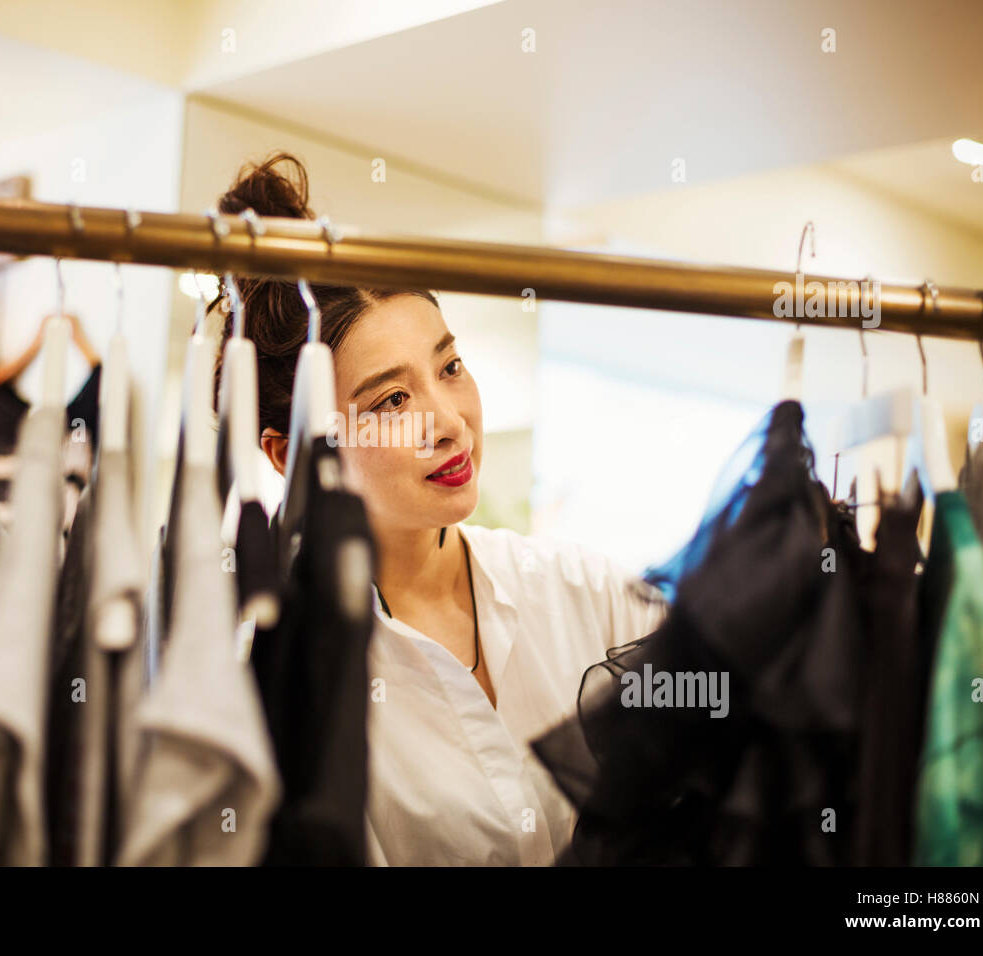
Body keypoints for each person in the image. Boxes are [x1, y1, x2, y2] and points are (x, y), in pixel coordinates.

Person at [213, 152, 668, 866]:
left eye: (450, 367)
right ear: (288, 453)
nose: (450, 420)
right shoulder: (284, 678)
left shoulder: (578, 591)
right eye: (392, 400)